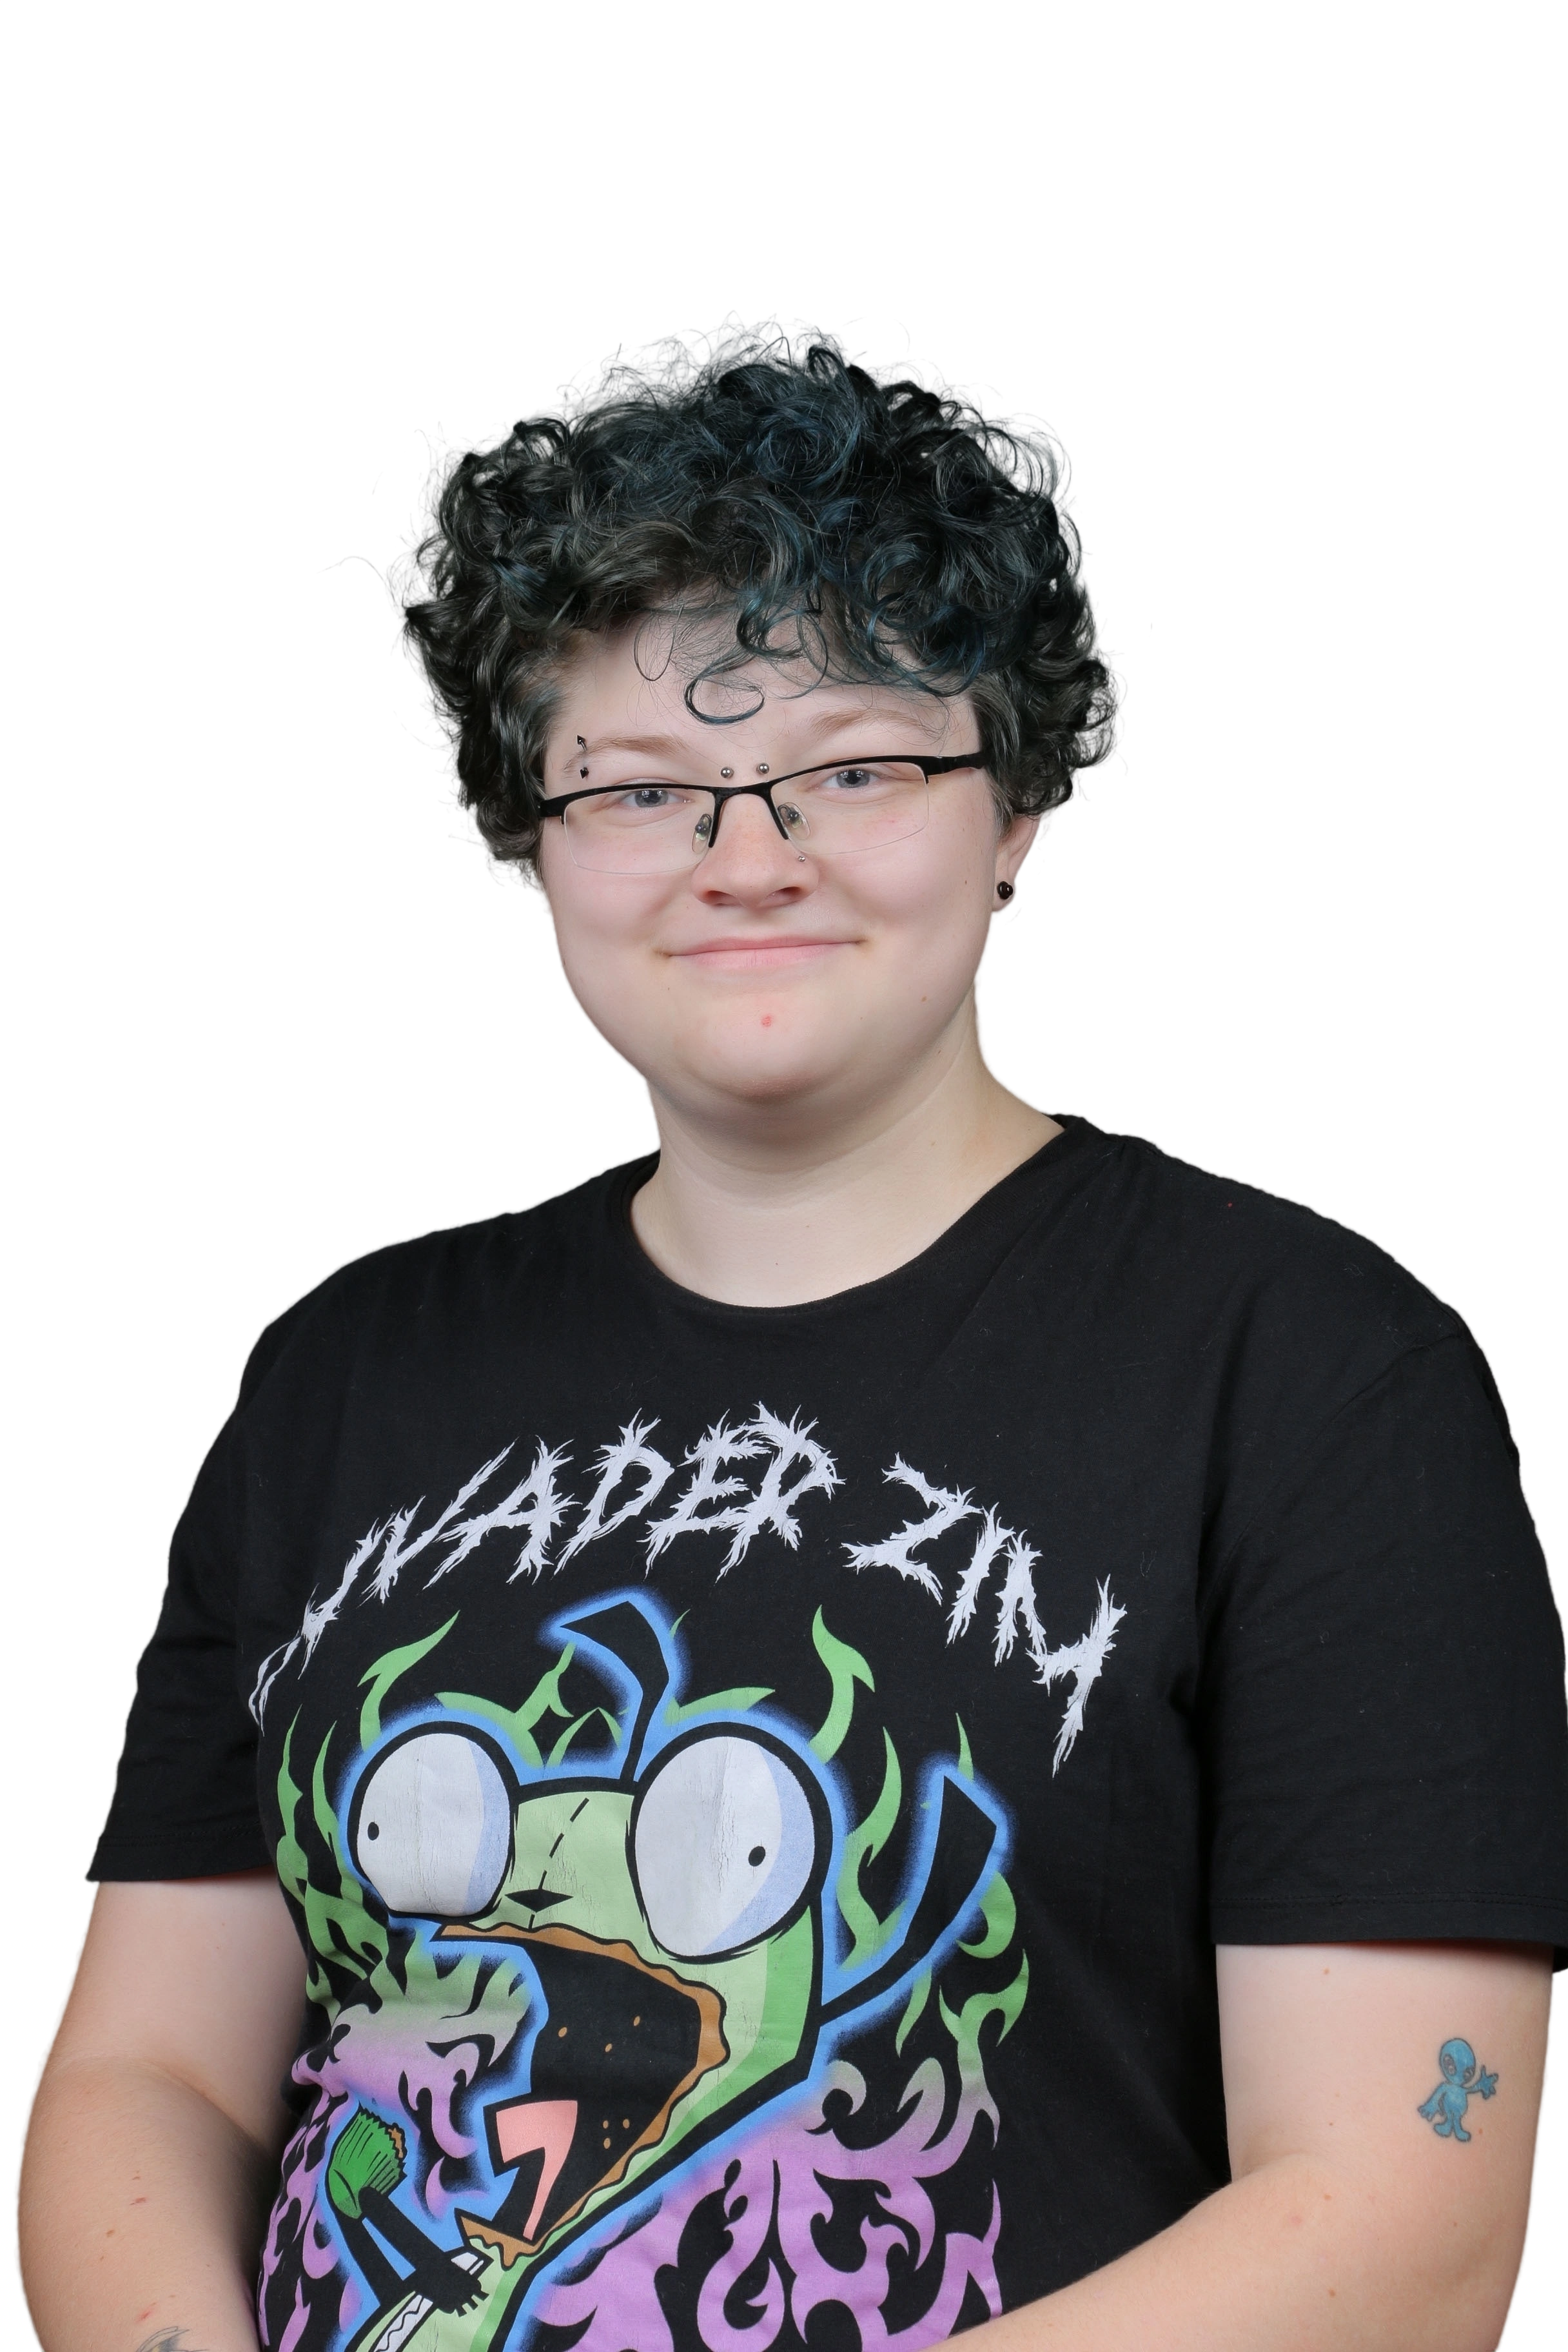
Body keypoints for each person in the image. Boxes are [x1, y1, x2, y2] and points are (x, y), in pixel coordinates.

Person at [15, 309, 1568, 2352]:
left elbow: (1401, 2231)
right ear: (528, 837)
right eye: (638, 785)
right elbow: (156, 2080)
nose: (748, 859)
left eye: (855, 764)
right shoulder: (342, 1371)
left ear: (1019, 807)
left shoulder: (1317, 1374)